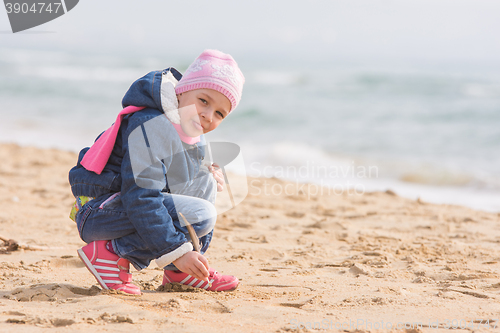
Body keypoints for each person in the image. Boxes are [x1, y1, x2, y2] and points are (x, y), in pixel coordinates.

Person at [68, 50, 245, 295]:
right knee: (202, 214)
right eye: (204, 101)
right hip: (98, 211)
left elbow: (167, 186)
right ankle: (112, 253)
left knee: (206, 180)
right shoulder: (151, 123)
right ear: (182, 90)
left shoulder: (189, 129)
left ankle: (179, 273)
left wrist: (201, 173)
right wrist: (178, 250)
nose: (208, 115)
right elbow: (141, 196)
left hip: (122, 207)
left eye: (219, 113)